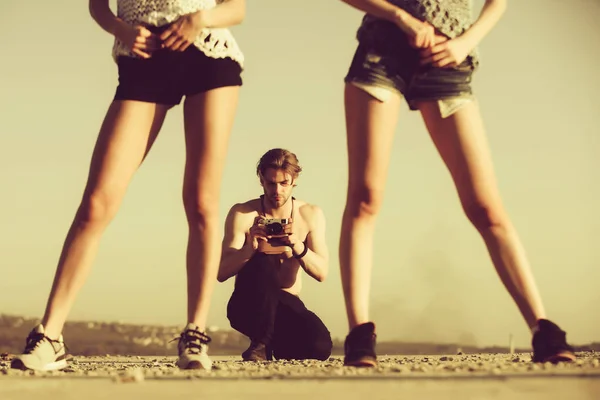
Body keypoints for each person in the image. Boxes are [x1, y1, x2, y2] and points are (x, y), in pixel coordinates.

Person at [337, 0, 576, 367]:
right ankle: (360, 335)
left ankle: (544, 329)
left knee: (486, 207)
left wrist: (467, 40)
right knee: (366, 197)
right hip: (382, 52)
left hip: (448, 59)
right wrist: (400, 17)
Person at [11, 0, 246, 372]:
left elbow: (237, 8)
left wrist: (199, 19)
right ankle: (50, 337)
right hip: (144, 59)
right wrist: (122, 29)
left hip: (208, 53)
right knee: (96, 204)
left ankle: (195, 334)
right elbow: (97, 5)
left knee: (201, 202)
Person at [218, 148, 333, 361]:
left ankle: (272, 345)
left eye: (283, 183)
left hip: (286, 303)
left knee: (320, 346)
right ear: (261, 179)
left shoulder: (309, 215)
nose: (277, 190)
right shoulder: (243, 214)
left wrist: (298, 247)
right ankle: (261, 344)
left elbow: (322, 272)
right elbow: (221, 272)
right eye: (271, 183)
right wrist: (250, 249)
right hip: (248, 304)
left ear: (294, 180)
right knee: (264, 260)